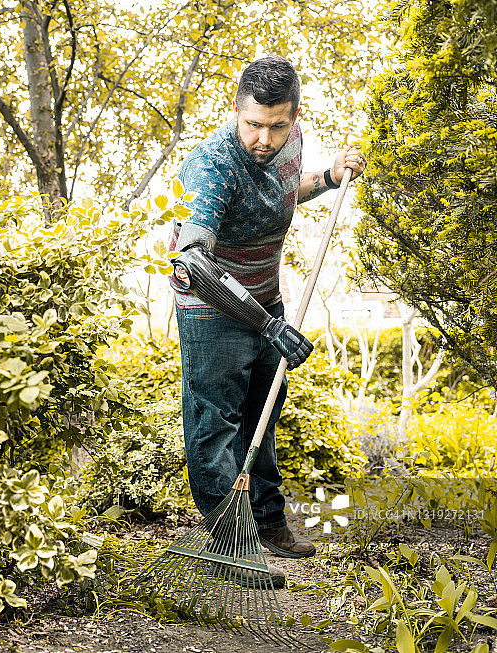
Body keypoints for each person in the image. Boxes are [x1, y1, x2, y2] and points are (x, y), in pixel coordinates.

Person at [168, 55, 366, 583]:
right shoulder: (211, 166)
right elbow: (191, 263)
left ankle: (268, 521)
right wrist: (267, 324)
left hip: (265, 302)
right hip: (213, 309)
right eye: (253, 124)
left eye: (276, 126)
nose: (264, 138)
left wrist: (327, 177)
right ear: (237, 113)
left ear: (293, 118)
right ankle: (230, 549)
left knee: (263, 419)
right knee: (216, 427)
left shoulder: (290, 141)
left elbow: (281, 191)